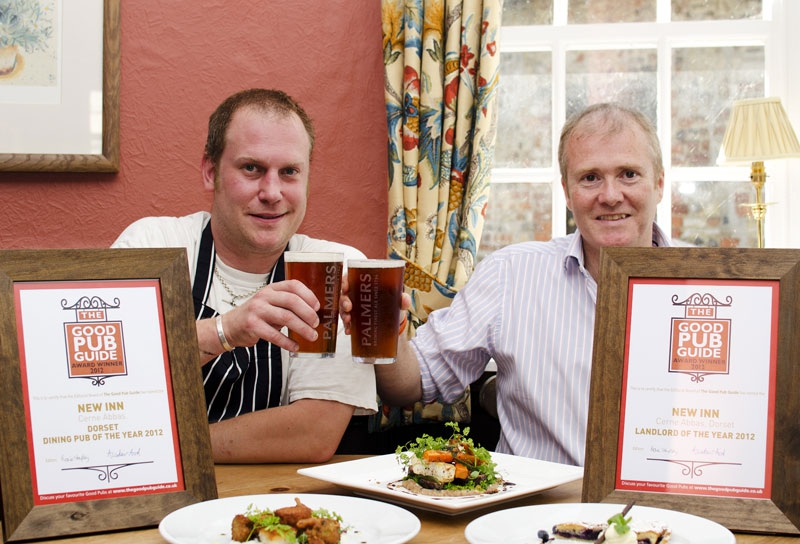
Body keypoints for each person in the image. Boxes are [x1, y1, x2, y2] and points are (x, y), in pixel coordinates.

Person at [340, 102, 669, 467]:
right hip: (535, 502)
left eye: (628, 174)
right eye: (590, 178)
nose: (609, 195)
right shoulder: (510, 275)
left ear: (659, 183)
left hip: (674, 501)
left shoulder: (711, 287)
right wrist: (384, 330)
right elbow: (411, 384)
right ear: (566, 191)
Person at [112, 88, 377, 464]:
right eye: (252, 168)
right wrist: (224, 331)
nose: (272, 192)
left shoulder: (332, 268)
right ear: (210, 172)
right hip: (154, 486)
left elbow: (313, 433)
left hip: (276, 492)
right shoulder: (153, 246)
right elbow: (106, 375)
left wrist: (152, 446)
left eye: (289, 172)